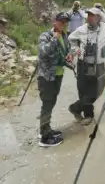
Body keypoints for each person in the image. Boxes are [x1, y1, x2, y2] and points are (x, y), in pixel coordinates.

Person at [37, 12, 70, 147]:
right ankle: (44, 137)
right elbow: (43, 52)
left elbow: (63, 53)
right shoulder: (46, 36)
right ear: (54, 21)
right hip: (47, 76)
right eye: (61, 21)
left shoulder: (64, 36)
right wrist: (54, 39)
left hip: (58, 74)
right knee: (47, 102)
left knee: (52, 101)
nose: (63, 24)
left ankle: (46, 128)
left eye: (65, 22)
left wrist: (69, 57)